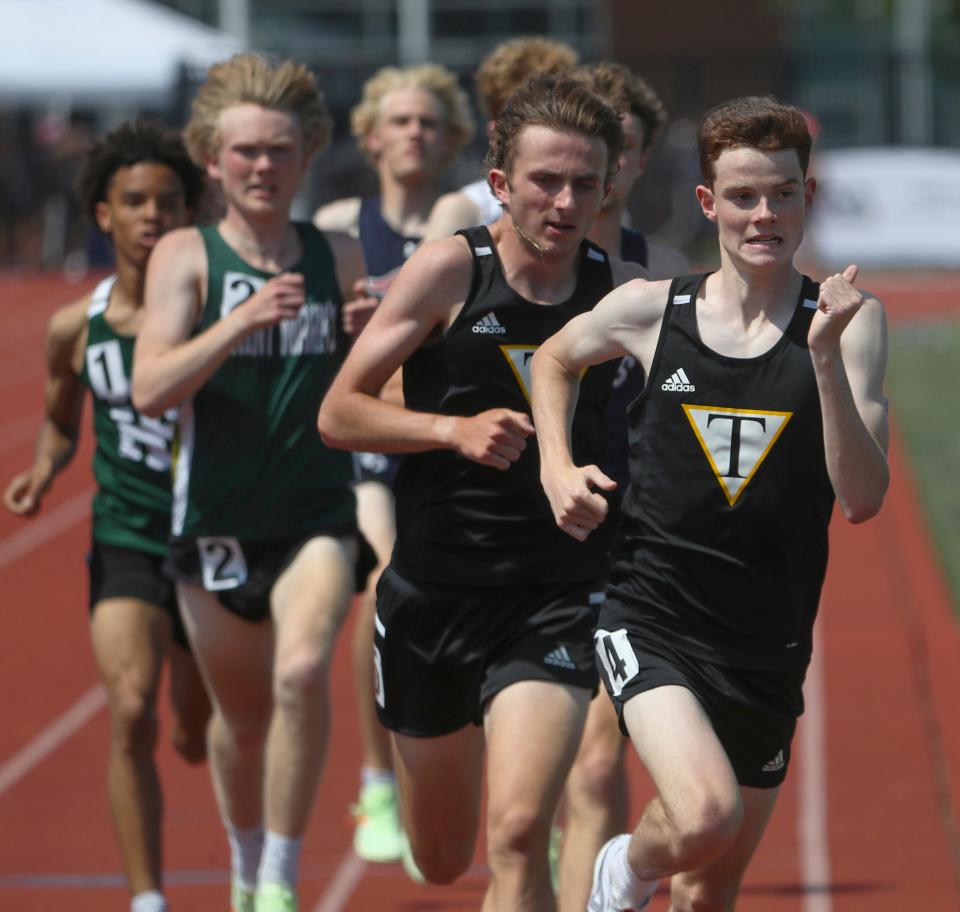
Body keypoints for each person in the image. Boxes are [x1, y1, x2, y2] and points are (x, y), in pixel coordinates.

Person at [530, 94, 889, 912]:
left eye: (783, 194)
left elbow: (862, 499)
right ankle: (621, 868)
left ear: (808, 197)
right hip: (652, 614)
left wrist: (825, 363)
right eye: (743, 196)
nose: (764, 214)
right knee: (704, 814)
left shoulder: (853, 326)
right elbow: (552, 360)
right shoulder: (654, 311)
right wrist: (556, 463)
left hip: (768, 642)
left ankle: (651, 872)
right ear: (708, 203)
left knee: (709, 887)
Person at [318, 75, 644, 911]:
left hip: (556, 596)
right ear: (502, 184)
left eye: (585, 183)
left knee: (517, 832)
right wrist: (449, 431)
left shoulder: (620, 294)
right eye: (546, 180)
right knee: (439, 856)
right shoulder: (449, 270)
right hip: (431, 595)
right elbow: (339, 413)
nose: (566, 201)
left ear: (610, 187)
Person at [130, 53, 376, 912]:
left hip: (315, 512)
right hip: (215, 522)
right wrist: (236, 321)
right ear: (212, 161)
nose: (263, 168)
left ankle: (277, 876)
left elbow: (377, 390)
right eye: (245, 153)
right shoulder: (182, 257)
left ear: (307, 155)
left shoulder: (335, 254)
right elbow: (150, 387)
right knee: (242, 724)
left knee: (302, 672)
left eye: (279, 150)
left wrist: (367, 335)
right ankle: (244, 858)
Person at [3, 120, 211, 912]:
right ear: (103, 215)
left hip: (209, 542)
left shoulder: (210, 319)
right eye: (134, 202)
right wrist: (46, 467)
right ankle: (147, 897)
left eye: (168, 201)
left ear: (190, 214)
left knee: (193, 730)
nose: (152, 216)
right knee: (129, 709)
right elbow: (61, 415)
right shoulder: (75, 328)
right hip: (125, 534)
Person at [312, 64, 473, 865]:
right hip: (378, 444)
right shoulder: (340, 226)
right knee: (382, 584)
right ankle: (378, 781)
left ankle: (446, 783)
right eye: (399, 121)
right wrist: (336, 321)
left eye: (429, 122)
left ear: (452, 139)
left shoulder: (468, 222)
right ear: (370, 137)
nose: (414, 134)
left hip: (450, 436)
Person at [555, 61, 692, 912]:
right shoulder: (510, 265)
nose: (606, 165)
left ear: (634, 162)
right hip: (529, 539)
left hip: (636, 542)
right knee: (525, 793)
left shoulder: (668, 271)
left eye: (624, 147)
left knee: (600, 761)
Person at [423, 36, 579, 239]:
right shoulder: (463, 210)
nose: (543, 127)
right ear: (493, 130)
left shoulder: (590, 204)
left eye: (555, 113)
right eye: (523, 117)